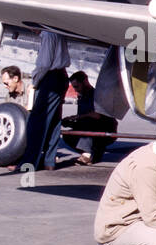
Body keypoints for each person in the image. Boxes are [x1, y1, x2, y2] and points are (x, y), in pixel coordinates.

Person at [23, 31, 70, 170]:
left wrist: (35, 81)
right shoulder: (59, 32)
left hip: (50, 77)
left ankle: (29, 163)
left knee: (36, 122)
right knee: (54, 121)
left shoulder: (47, 35)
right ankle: (49, 161)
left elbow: (44, 64)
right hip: (61, 75)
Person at [61, 70, 117, 165]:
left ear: (85, 82)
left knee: (87, 123)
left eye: (77, 86)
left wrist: (78, 117)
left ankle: (87, 153)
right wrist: (69, 121)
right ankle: (95, 153)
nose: (75, 90)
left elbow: (96, 115)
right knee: (68, 135)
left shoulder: (96, 96)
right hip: (92, 127)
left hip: (105, 129)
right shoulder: (82, 97)